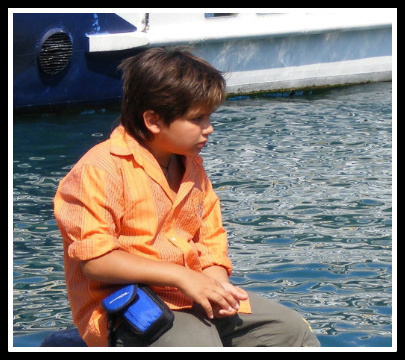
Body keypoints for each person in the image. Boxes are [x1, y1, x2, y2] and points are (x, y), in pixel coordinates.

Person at [54, 47, 320, 347]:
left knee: (291, 330)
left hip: (193, 290)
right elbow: (97, 261)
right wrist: (183, 277)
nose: (209, 128)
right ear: (153, 121)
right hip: (130, 308)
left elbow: (210, 239)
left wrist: (216, 282)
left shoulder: (191, 165)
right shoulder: (99, 170)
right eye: (198, 119)